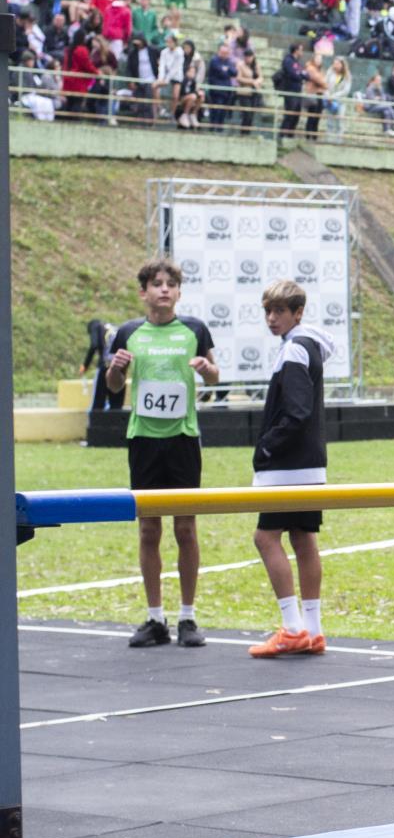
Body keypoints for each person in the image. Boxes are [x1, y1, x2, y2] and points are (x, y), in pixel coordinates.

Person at [105, 259, 220, 649]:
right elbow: (113, 385)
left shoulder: (194, 329)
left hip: (183, 438)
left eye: (171, 284)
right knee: (148, 529)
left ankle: (188, 617)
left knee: (186, 528)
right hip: (144, 440)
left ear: (179, 292)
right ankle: (156, 618)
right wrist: (116, 369)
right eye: (157, 284)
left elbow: (215, 376)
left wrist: (206, 368)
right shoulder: (128, 332)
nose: (165, 290)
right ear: (143, 292)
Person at [248, 280, 336, 657]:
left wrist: (266, 446)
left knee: (265, 538)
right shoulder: (307, 346)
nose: (272, 318)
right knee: (303, 539)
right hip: (310, 463)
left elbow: (297, 412)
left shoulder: (295, 351)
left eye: (280, 311)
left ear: (298, 313)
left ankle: (293, 628)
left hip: (287, 466)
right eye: (268, 311)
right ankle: (312, 631)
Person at [80, 318, 123, 412]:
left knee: (98, 403)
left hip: (105, 365)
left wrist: (85, 365)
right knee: (116, 406)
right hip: (120, 367)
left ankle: (94, 425)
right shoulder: (112, 327)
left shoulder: (95, 325)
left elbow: (94, 345)